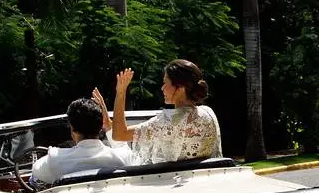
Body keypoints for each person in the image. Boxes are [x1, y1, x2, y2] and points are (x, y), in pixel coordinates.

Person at [92, 59, 222, 165]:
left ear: (181, 88)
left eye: (166, 83)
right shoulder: (208, 112)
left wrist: (120, 93)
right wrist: (109, 123)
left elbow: (119, 134)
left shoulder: (168, 121)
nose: (162, 88)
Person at [29, 98, 129, 186]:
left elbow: (35, 172)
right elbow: (124, 148)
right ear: (101, 127)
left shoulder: (54, 160)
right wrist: (108, 127)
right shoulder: (121, 158)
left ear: (72, 129)